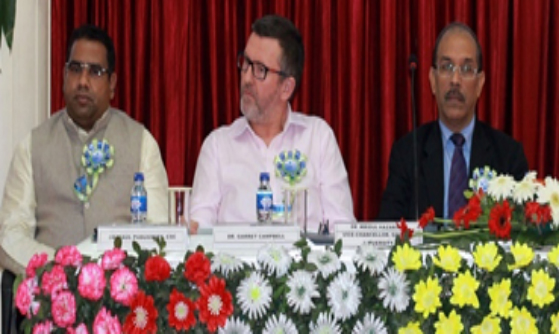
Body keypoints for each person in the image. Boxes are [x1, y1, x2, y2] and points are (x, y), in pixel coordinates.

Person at [0, 25, 169, 275]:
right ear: (63, 75)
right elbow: (10, 236)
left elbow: (158, 235)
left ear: (112, 84)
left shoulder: (142, 144)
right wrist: (60, 267)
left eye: (95, 72)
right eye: (76, 69)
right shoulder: (32, 146)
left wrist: (112, 273)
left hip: (121, 292)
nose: (82, 81)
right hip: (50, 291)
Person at [190, 15, 355, 230]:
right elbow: (199, 233)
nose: (246, 78)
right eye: (246, 63)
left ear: (286, 88)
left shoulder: (318, 138)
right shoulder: (217, 147)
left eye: (260, 70)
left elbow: (342, 231)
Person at [378, 22, 529, 220]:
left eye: (466, 69)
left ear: (480, 84)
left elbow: (522, 229)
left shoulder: (508, 157)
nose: (455, 80)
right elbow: (389, 228)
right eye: (447, 67)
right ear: (432, 80)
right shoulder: (407, 154)